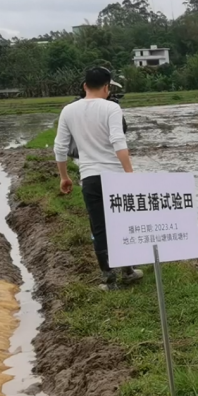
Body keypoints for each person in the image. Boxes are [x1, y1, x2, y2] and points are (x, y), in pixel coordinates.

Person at [53, 66, 143, 290]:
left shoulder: (68, 110)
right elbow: (118, 142)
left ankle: (108, 279)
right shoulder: (111, 108)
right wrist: (130, 173)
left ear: (85, 86)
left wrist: (64, 177)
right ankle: (128, 270)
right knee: (122, 223)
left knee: (99, 227)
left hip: (90, 177)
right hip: (115, 176)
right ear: (106, 87)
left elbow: (60, 147)